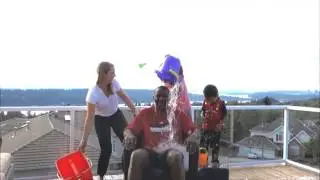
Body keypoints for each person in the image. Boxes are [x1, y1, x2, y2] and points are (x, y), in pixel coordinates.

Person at [123, 86, 199, 180]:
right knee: (136, 155)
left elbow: (195, 130)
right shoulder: (145, 114)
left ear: (170, 98)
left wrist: (192, 136)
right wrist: (129, 135)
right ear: (154, 97)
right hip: (149, 152)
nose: (161, 99)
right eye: (158, 96)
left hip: (170, 151)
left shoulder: (178, 114)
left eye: (165, 96)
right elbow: (128, 129)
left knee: (175, 156)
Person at [78, 61, 137, 179]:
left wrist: (135, 110)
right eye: (112, 73)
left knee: (128, 142)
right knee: (106, 149)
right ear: (104, 74)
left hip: (116, 115)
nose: (114, 75)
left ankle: (128, 174)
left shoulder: (114, 83)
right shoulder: (93, 93)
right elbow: (89, 119)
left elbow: (124, 97)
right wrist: (83, 141)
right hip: (101, 120)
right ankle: (101, 176)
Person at [200, 84, 227, 167]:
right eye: (206, 99)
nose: (208, 101)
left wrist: (221, 124)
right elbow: (203, 112)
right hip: (205, 129)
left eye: (209, 99)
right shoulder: (205, 102)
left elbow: (224, 114)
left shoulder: (221, 104)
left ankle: (215, 162)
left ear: (215, 96)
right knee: (203, 147)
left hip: (216, 130)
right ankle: (203, 163)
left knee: (215, 147)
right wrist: (204, 115)